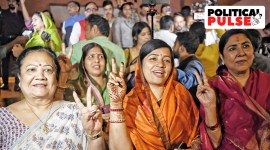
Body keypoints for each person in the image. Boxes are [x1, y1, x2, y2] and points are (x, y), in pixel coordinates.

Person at [0, 46, 106, 149]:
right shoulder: (4, 120)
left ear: (56, 78)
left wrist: (94, 135)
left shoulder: (74, 113)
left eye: (47, 70)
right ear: (19, 76)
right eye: (31, 69)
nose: (40, 76)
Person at [108, 39, 200, 149]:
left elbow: (196, 134)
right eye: (153, 59)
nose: (160, 64)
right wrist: (116, 104)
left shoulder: (181, 94)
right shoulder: (130, 102)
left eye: (166, 60)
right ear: (140, 64)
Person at [197, 29, 270, 149]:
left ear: (253, 50)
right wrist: (210, 106)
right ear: (222, 56)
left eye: (246, 46)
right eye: (232, 49)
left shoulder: (267, 82)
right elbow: (215, 142)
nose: (241, 53)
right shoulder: (213, 88)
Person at [0, 0, 25, 90]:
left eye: (13, 1)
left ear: (17, 3)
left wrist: (16, 13)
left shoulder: (20, 14)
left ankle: (17, 85)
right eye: (9, 1)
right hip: (5, 40)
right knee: (5, 64)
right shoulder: (3, 13)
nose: (11, 3)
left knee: (17, 63)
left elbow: (22, 26)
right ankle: (5, 84)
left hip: (17, 40)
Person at [125, 22, 151, 92]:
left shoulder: (153, 52)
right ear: (135, 37)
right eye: (143, 34)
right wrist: (132, 68)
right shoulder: (128, 52)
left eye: (149, 34)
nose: (147, 37)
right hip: (131, 90)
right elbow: (120, 72)